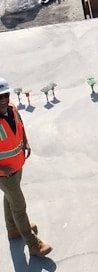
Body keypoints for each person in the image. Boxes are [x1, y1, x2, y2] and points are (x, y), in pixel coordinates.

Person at [0, 78, 53, 257]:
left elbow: (20, 128)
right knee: (19, 205)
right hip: (4, 174)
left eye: (5, 95)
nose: (2, 100)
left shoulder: (13, 109)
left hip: (17, 164)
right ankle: (33, 244)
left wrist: (26, 143)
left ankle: (13, 228)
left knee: (10, 199)